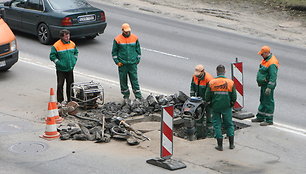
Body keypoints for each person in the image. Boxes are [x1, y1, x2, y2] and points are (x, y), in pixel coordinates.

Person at [205, 65, 237, 151]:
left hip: (215, 107)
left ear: (217, 72)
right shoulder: (230, 82)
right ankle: (231, 144)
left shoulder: (212, 83)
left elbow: (207, 96)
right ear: (224, 71)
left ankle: (220, 145)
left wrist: (209, 103)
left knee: (217, 124)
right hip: (226, 107)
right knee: (229, 124)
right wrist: (232, 103)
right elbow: (234, 96)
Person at [112, 23, 142, 101]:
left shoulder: (134, 38)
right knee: (123, 81)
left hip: (132, 64)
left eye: (128, 31)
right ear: (122, 30)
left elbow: (138, 50)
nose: (127, 33)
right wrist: (117, 62)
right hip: (122, 64)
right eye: (125, 31)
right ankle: (126, 96)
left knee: (134, 80)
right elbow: (114, 52)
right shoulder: (117, 39)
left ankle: (138, 96)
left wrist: (137, 60)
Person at [252, 46, 279, 126]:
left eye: (262, 54)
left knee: (268, 102)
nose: (261, 55)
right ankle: (260, 116)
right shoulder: (266, 60)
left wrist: (269, 87)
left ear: (267, 53)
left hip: (268, 85)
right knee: (263, 100)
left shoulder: (272, 63)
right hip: (264, 84)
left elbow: (273, 76)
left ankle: (269, 120)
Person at [50, 29, 78, 103]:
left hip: (70, 68)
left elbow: (76, 53)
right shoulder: (56, 46)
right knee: (60, 85)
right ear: (61, 37)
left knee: (70, 85)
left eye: (68, 36)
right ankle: (60, 101)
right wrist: (59, 63)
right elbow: (52, 56)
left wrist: (74, 61)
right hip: (61, 70)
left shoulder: (72, 44)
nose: (68, 38)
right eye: (66, 37)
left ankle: (70, 100)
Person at [190, 64, 214, 138]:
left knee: (209, 118)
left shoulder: (209, 79)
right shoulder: (194, 77)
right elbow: (192, 88)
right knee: (199, 118)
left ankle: (210, 135)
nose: (197, 76)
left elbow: (210, 92)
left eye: (198, 75)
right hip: (199, 101)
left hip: (209, 102)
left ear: (203, 71)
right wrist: (192, 98)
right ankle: (199, 134)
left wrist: (207, 101)